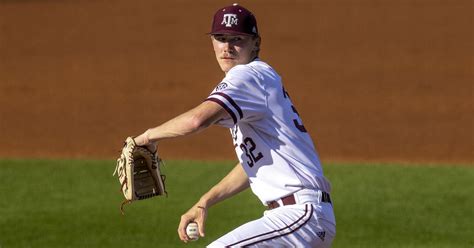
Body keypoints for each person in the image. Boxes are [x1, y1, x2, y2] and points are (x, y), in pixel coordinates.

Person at [133, 3, 336, 247]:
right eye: (220, 38)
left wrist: (147, 137)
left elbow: (197, 120)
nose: (227, 47)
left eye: (237, 39)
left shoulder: (248, 75)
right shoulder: (257, 81)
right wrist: (204, 201)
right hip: (301, 216)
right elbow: (255, 163)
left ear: (256, 43)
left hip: (299, 217)